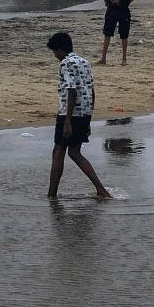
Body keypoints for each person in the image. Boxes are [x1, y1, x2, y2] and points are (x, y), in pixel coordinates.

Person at [46, 32, 111, 199]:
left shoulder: (65, 64)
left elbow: (72, 91)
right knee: (74, 153)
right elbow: (91, 91)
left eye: (55, 52)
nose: (55, 56)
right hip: (83, 113)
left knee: (58, 152)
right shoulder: (85, 62)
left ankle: (51, 195)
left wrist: (67, 121)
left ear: (60, 49)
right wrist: (88, 119)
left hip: (69, 114)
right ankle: (101, 190)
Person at [97, 0, 144, 66]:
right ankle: (103, 58)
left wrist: (129, 1)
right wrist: (105, 0)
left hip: (123, 10)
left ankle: (124, 59)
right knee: (107, 34)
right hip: (111, 10)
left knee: (124, 35)